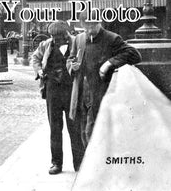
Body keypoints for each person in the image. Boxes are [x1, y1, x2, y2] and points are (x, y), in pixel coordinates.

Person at [68, 11, 141, 149]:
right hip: (81, 92)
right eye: (85, 27)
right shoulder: (79, 39)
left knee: (93, 131)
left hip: (101, 92)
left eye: (92, 27)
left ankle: (95, 165)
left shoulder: (112, 38)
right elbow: (71, 58)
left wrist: (109, 63)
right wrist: (72, 66)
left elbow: (135, 55)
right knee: (83, 131)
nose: (89, 31)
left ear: (99, 23)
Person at [31, 21, 84, 175]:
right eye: (52, 36)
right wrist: (39, 70)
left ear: (66, 34)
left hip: (70, 90)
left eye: (57, 37)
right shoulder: (46, 44)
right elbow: (35, 58)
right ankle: (56, 163)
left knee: (74, 127)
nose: (54, 40)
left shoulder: (76, 43)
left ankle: (79, 163)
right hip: (52, 90)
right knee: (55, 129)